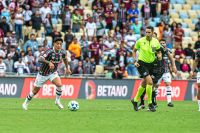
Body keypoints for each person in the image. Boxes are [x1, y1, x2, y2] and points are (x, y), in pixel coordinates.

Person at [22, 37, 71, 110]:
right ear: (54, 44)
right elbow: (40, 59)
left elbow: (65, 59)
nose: (59, 45)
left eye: (60, 44)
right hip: (43, 73)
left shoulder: (63, 52)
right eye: (57, 44)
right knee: (35, 91)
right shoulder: (49, 51)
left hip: (52, 72)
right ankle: (25, 103)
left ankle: (57, 101)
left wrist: (67, 68)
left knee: (59, 85)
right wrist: (49, 63)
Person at [138, 39, 177, 110]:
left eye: (163, 43)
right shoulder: (155, 50)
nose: (162, 44)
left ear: (165, 44)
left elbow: (171, 58)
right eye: (161, 43)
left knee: (168, 84)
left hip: (166, 71)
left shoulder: (166, 50)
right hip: (157, 72)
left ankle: (169, 101)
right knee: (154, 86)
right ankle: (153, 102)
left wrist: (173, 66)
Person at [131, 26, 160, 112]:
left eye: (149, 32)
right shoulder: (140, 41)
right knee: (150, 82)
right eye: (146, 32)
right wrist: (135, 61)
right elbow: (134, 51)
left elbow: (157, 51)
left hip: (151, 64)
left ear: (152, 33)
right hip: (141, 64)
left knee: (144, 83)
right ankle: (150, 103)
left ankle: (135, 100)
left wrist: (159, 55)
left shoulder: (156, 42)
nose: (147, 34)